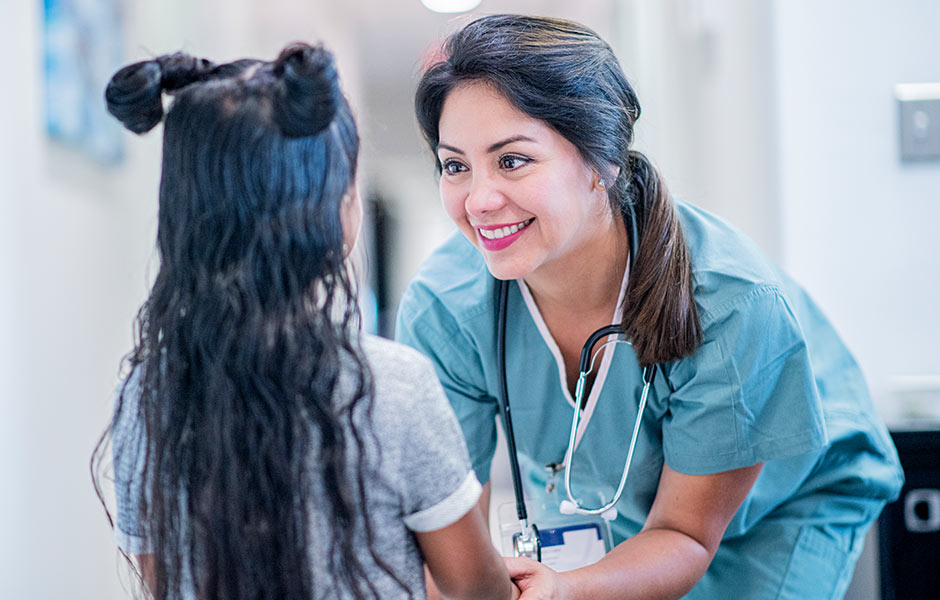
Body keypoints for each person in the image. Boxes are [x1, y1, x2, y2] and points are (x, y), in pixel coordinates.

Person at [395, 14, 904, 600]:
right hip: (615, 495)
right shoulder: (446, 309)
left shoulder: (730, 306)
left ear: (602, 162)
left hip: (784, 504)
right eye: (455, 165)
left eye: (512, 160)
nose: (479, 200)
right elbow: (446, 535)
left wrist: (565, 589)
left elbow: (684, 534)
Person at [91, 42, 518, 600]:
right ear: (338, 211)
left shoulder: (144, 396)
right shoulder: (391, 387)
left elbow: (164, 582)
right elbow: (477, 589)